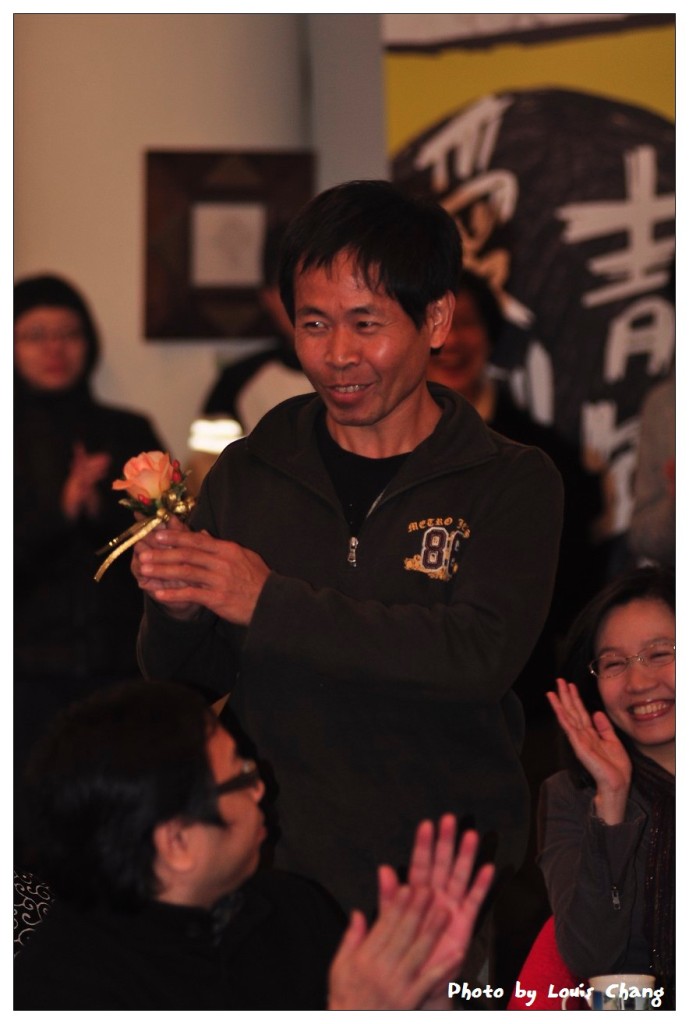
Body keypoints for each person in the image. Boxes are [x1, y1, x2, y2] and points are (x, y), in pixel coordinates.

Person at [134, 181, 564, 960]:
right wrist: (178, 604)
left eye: (366, 324)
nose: (336, 355)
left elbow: (476, 656)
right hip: (270, 864)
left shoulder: (509, 480)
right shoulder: (250, 469)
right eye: (313, 324)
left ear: (435, 319)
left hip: (434, 881)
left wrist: (266, 602)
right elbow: (185, 678)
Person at [14, 679, 494, 1011]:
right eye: (241, 776)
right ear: (177, 841)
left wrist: (427, 1000)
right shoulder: (63, 989)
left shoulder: (293, 909)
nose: (261, 788)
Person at [13, 273, 164, 862]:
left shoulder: (127, 430)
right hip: (26, 674)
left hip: (117, 667)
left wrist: (106, 512)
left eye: (69, 333)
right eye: (35, 335)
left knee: (119, 827)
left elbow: (156, 546)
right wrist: (61, 512)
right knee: (32, 836)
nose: (55, 349)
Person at [538, 566, 675, 1008]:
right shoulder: (570, 797)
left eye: (660, 653)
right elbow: (591, 957)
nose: (639, 683)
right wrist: (611, 803)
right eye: (614, 663)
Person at [201, 221, 312, 432]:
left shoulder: (361, 372)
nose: (301, 305)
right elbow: (207, 452)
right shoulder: (237, 381)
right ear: (266, 297)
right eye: (287, 292)